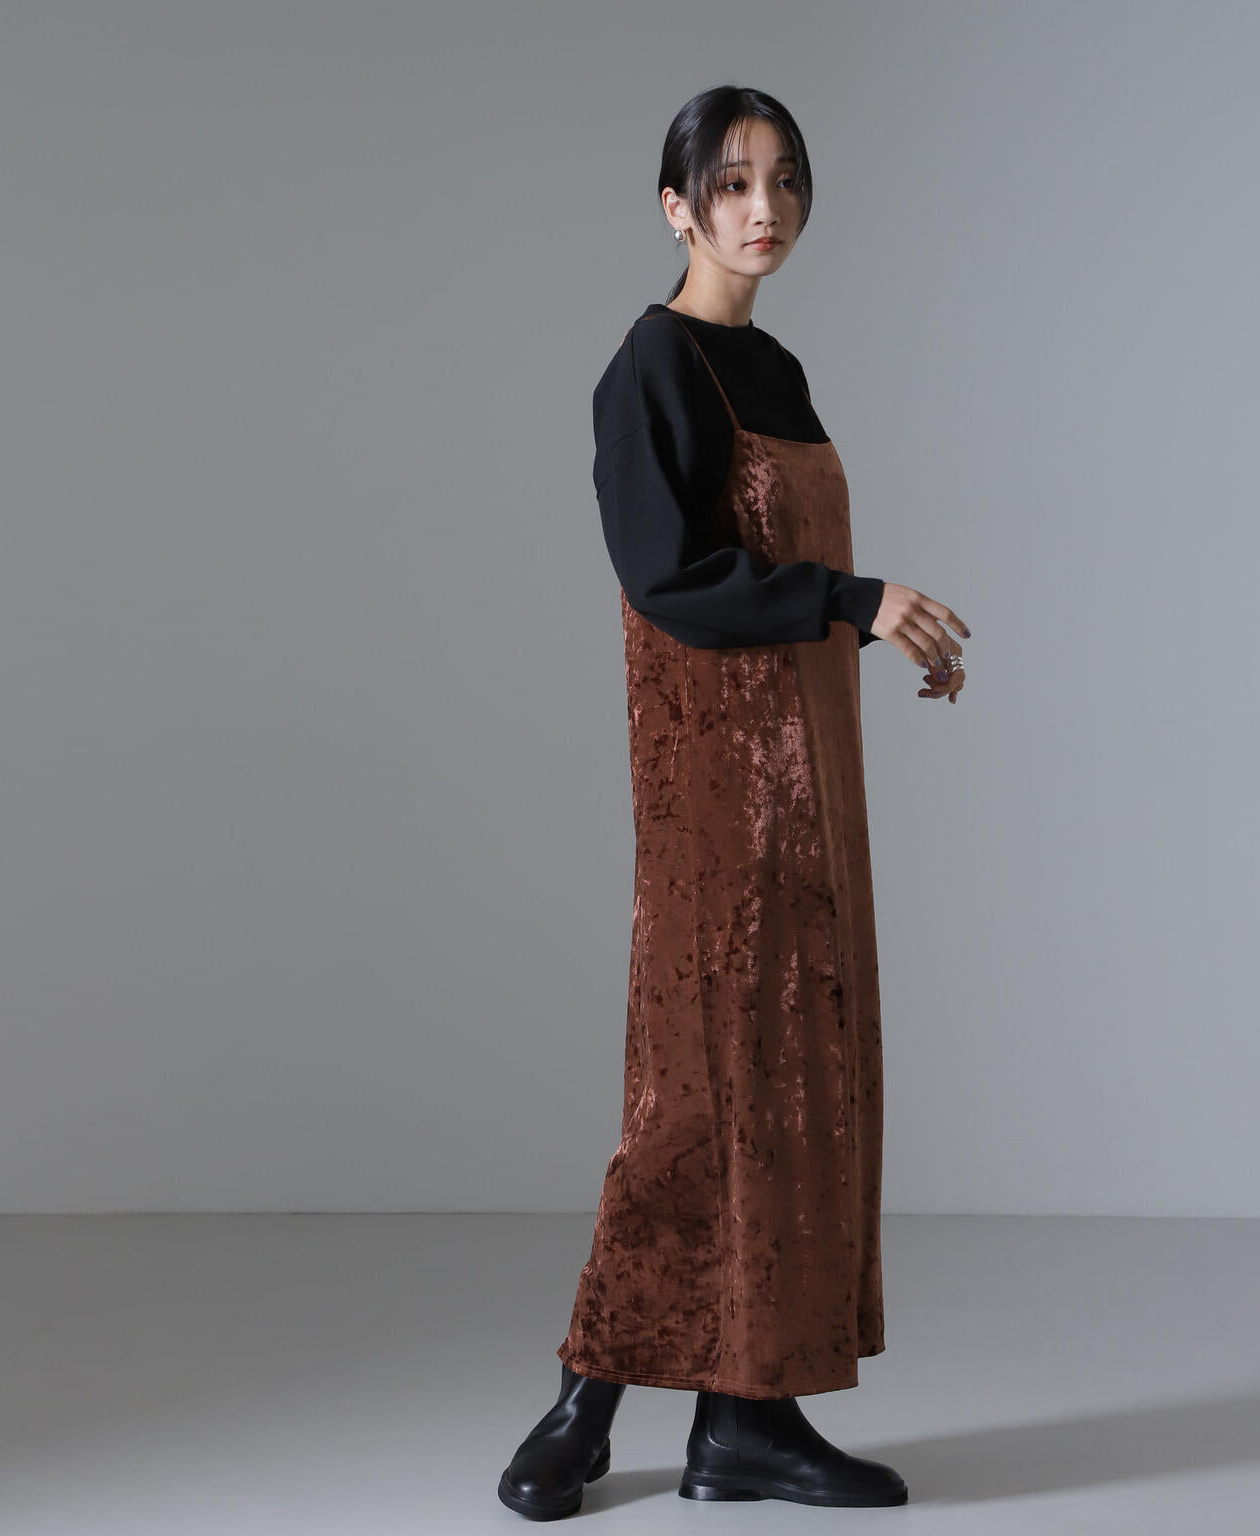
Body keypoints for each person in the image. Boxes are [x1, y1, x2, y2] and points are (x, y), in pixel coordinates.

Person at [498, 83, 968, 1521]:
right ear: (678, 207)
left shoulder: (775, 368)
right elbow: (670, 580)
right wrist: (857, 599)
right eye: (735, 183)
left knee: (793, 1084)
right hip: (715, 791)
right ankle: (582, 1404)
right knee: (695, 1095)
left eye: (787, 180)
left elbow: (786, 567)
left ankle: (747, 1421)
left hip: (814, 785)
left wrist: (879, 629)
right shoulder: (655, 364)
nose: (767, 209)